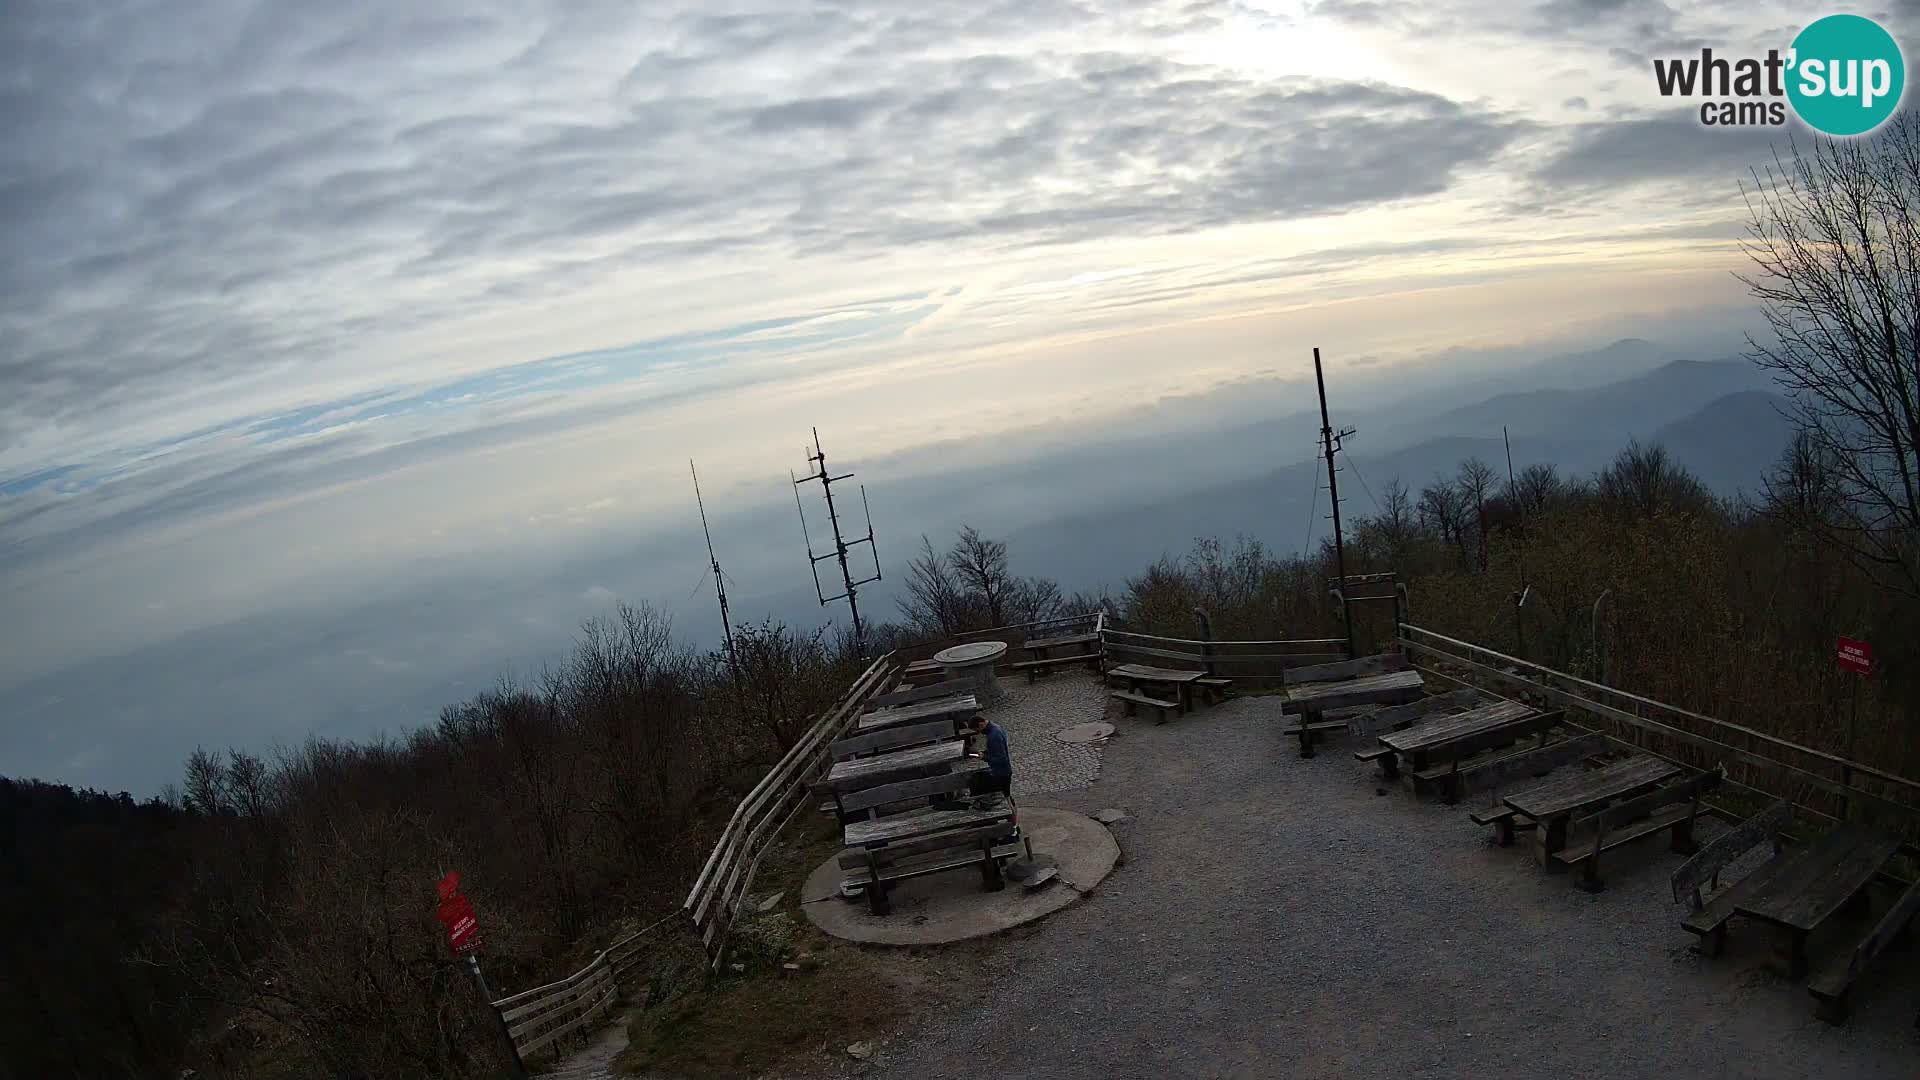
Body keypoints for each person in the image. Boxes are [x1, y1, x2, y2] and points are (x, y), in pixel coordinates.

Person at [966, 714, 1012, 799]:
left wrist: (985, 757)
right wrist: (985, 752)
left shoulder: (994, 736)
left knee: (1006, 797)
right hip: (1002, 771)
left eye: (978, 730)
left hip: (1001, 773)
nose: (979, 733)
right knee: (1007, 796)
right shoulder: (995, 728)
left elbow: (1001, 759)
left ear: (981, 724)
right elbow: (997, 750)